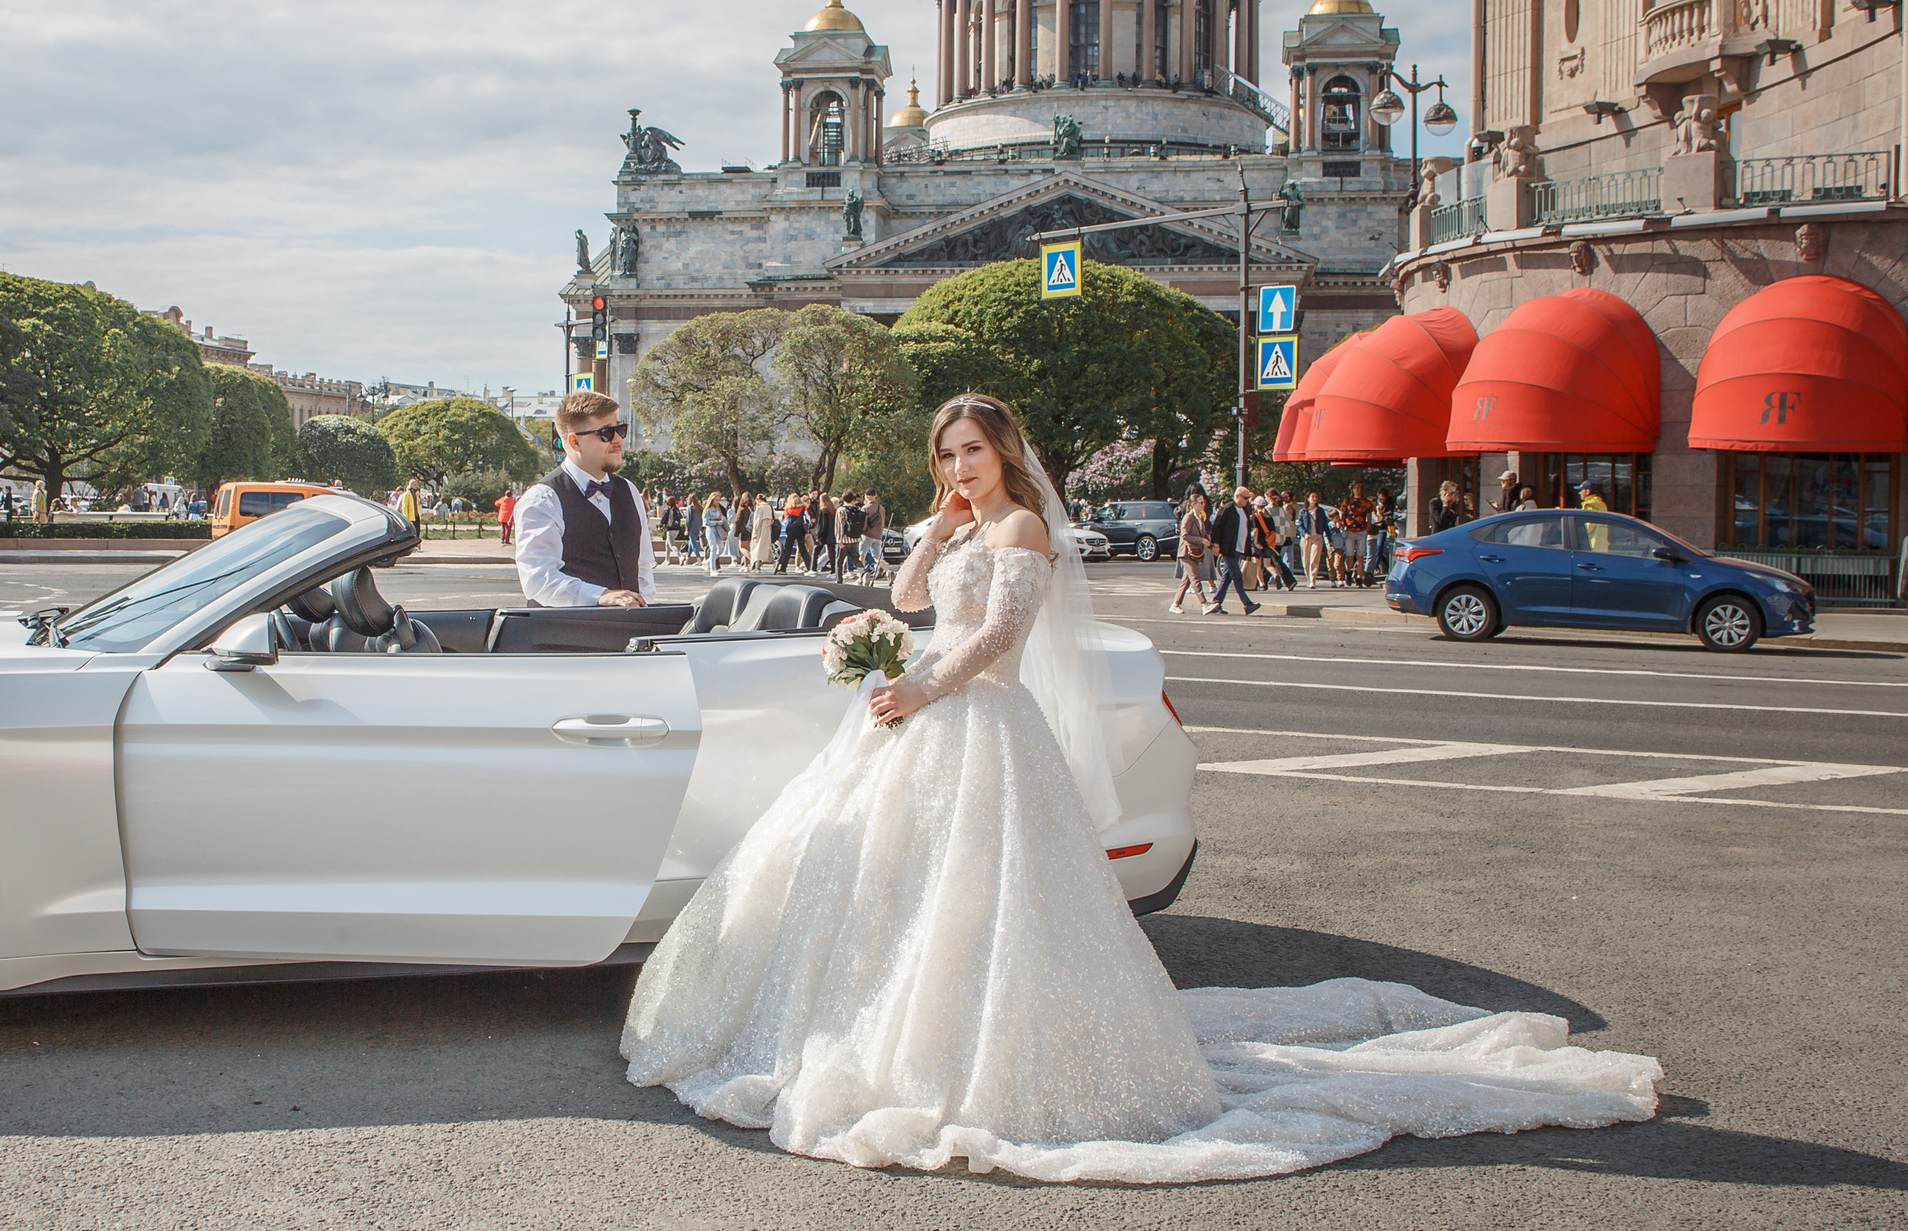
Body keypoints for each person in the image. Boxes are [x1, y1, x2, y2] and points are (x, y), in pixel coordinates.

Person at [621, 391, 1662, 1185]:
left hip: (974, 724)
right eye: (946, 456)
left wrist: (919, 691)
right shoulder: (968, 529)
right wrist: (934, 530)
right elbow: (902, 597)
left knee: (984, 902)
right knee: (902, 892)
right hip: (921, 722)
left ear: (1006, 451)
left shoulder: (1024, 531)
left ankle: (982, 1054)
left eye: (971, 452)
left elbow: (994, 640)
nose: (960, 467)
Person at [511, 391, 656, 607]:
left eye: (620, 429)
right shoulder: (543, 499)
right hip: (566, 634)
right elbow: (537, 579)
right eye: (606, 433)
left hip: (628, 633)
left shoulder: (629, 491)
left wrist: (647, 611)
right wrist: (600, 596)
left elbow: (643, 567)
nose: (618, 439)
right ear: (575, 442)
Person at [1208, 485, 1262, 615]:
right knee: (1237, 575)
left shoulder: (1245, 509)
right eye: (1245, 498)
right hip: (1228, 547)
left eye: (1248, 498)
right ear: (1237, 496)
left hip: (1239, 547)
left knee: (1227, 576)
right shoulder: (1227, 509)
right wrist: (1215, 544)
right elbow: (1217, 527)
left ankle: (1216, 602)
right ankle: (1246, 603)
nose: (1247, 500)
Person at [1167, 489, 1213, 614]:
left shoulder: (1200, 517)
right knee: (1195, 578)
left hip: (1195, 552)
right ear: (1193, 504)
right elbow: (1185, 535)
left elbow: (1203, 534)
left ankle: (1175, 604)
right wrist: (1202, 540)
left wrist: (1209, 543)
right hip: (1186, 552)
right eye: (1201, 502)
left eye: (1204, 502)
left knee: (1186, 581)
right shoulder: (1188, 517)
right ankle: (1204, 604)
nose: (1204, 504)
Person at [1297, 489, 1330, 588]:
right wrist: (1304, 533)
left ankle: (1312, 580)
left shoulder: (1320, 511)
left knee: (1314, 559)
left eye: (1316, 497)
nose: (1314, 499)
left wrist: (1329, 539)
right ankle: (1308, 578)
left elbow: (1325, 525)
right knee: (1306, 560)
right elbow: (1299, 525)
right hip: (1306, 537)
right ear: (1308, 498)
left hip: (1317, 537)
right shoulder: (1303, 511)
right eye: (1312, 497)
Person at [859, 491, 888, 581]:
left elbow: (863, 524)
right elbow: (883, 522)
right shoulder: (881, 508)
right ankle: (888, 572)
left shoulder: (865, 508)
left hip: (867, 535)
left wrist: (861, 532)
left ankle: (862, 577)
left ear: (866, 496)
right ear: (875, 495)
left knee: (862, 556)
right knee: (877, 557)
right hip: (878, 535)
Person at [701, 492, 729, 576]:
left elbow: (720, 516)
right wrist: (716, 522)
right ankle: (713, 569)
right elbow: (705, 522)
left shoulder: (717, 509)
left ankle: (708, 562)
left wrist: (721, 520)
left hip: (718, 530)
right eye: (716, 500)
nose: (717, 502)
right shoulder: (708, 510)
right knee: (713, 548)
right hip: (710, 529)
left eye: (718, 500)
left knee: (721, 548)